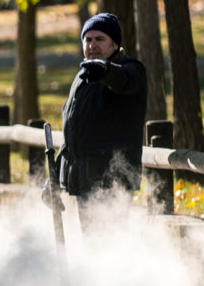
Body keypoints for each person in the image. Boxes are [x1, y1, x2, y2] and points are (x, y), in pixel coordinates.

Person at [58, 12, 147, 229]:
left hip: (112, 178)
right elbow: (71, 132)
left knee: (110, 248)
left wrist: (105, 70)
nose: (92, 45)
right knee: (92, 249)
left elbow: (124, 81)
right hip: (84, 178)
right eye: (88, 39)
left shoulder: (131, 68)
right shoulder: (82, 78)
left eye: (100, 39)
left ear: (115, 44)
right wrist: (54, 178)